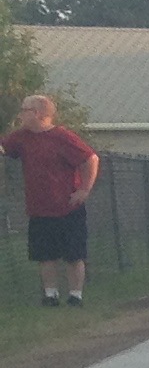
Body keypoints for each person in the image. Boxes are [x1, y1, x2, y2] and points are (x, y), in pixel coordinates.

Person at [4, 92, 99, 305]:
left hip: (67, 206)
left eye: (24, 110)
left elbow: (90, 159)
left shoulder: (62, 137)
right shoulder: (21, 137)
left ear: (37, 113)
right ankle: (50, 295)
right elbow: (5, 149)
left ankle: (75, 295)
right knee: (45, 255)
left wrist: (84, 189)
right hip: (39, 208)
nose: (21, 115)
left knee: (74, 254)